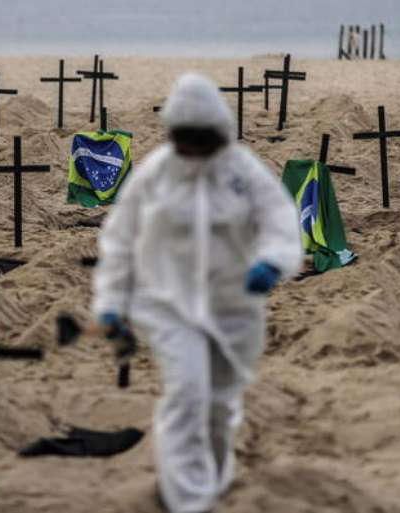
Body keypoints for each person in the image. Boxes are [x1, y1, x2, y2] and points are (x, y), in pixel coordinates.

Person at [91, 74, 303, 513]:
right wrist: (111, 303)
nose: (191, 149)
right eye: (183, 139)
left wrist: (273, 261)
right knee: (186, 394)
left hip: (234, 308)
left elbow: (279, 219)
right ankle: (186, 499)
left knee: (220, 405)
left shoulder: (242, 171)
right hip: (168, 305)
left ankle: (214, 477)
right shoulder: (157, 174)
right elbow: (120, 238)